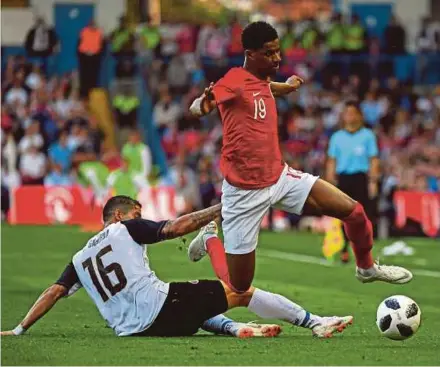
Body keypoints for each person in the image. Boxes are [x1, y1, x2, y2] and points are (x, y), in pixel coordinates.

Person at [189, 21, 412, 292]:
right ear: (251, 54)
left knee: (354, 212)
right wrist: (203, 104)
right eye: (269, 53)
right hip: (243, 193)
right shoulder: (234, 80)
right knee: (239, 287)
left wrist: (288, 87)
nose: (277, 57)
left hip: (279, 178)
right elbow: (199, 106)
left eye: (278, 51)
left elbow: (265, 89)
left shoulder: (260, 82)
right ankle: (211, 237)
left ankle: (366, 268)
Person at [1, 196, 352, 338]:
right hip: (160, 311)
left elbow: (53, 292)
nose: (142, 219)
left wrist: (19, 329)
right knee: (239, 290)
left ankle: (233, 329)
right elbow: (174, 227)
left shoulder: (79, 258)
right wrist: (220, 208)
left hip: (134, 330)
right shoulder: (126, 228)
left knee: (191, 298)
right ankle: (315, 323)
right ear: (120, 216)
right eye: (137, 214)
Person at [326, 101, 380, 263]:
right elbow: (331, 160)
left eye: (352, 113)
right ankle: (344, 248)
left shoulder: (367, 136)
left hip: (361, 178)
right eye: (347, 113)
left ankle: (365, 249)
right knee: (345, 215)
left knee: (363, 215)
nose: (350, 116)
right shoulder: (337, 137)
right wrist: (330, 181)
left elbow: (374, 160)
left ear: (359, 116)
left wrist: (373, 180)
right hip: (344, 179)